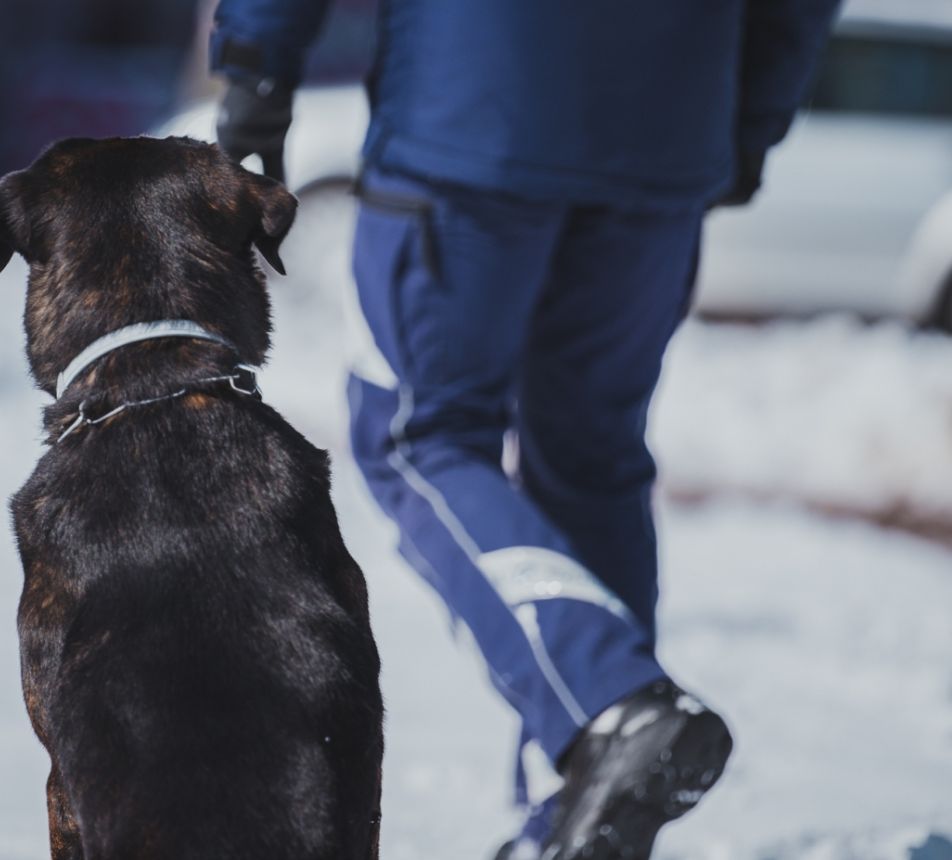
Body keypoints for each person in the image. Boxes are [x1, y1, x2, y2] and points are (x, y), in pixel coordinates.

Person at [210, 2, 841, 858]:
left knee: (416, 438)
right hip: (667, 133)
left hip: (474, 115)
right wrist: (748, 117)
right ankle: (582, 812)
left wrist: (256, 67)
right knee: (592, 456)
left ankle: (609, 708)